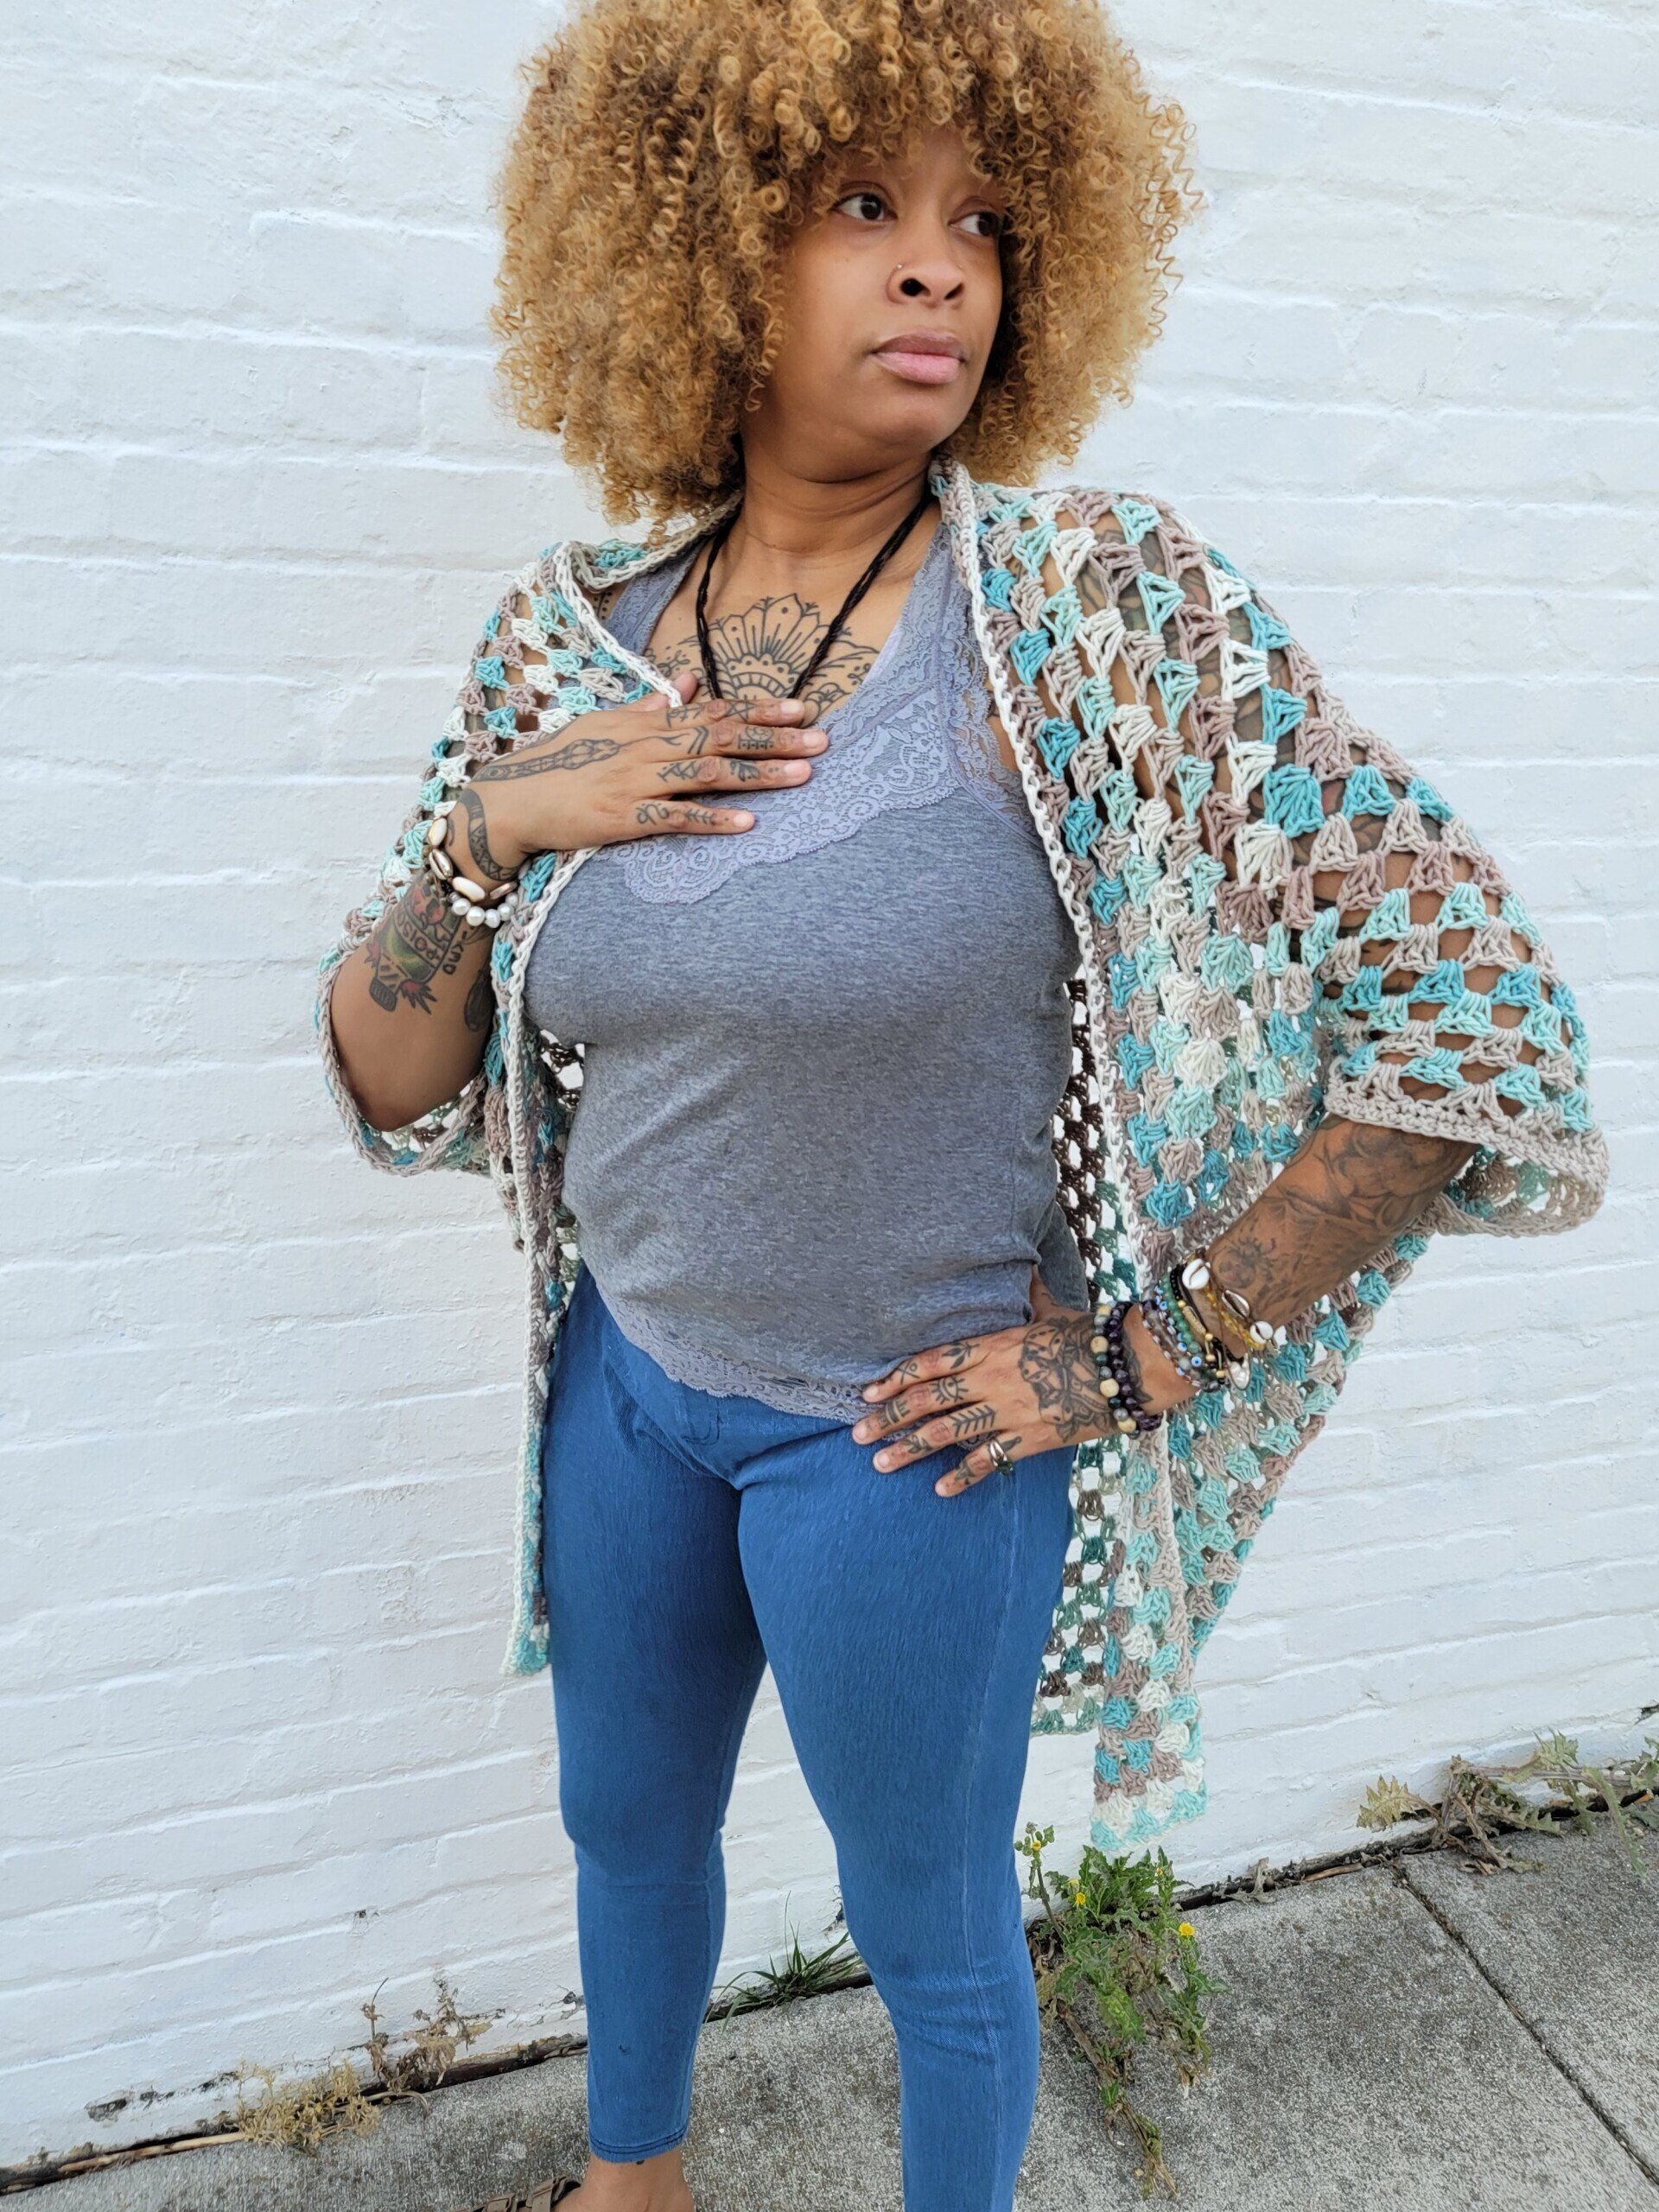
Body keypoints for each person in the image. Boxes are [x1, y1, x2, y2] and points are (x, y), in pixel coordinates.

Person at [314, 4, 1606, 2209]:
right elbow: (389, 1070)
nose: (939, 269)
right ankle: (635, 2182)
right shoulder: (567, 647)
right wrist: (491, 830)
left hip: (903, 1437)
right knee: (624, 1824)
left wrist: (1141, 1351)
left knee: (926, 1926)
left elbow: (1474, 1028)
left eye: (982, 221)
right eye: (859, 207)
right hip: (629, 1387)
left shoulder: (1101, 621)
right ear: (701, 251)